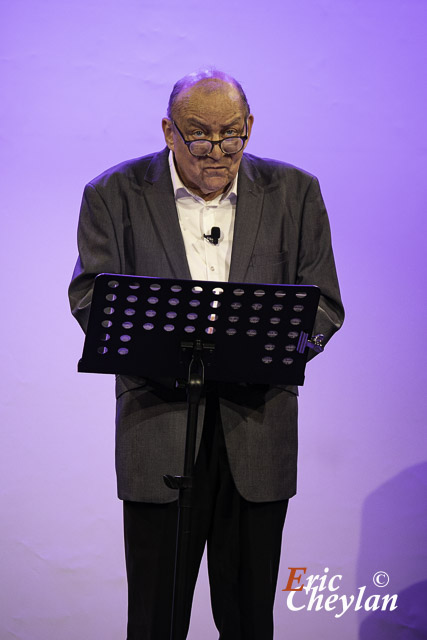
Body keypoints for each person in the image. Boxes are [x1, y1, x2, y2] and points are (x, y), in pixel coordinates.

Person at [69, 69, 344, 639]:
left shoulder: (296, 192)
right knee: (154, 620)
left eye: (232, 134)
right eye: (199, 135)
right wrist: (164, 348)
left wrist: (277, 352)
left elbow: (324, 307)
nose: (217, 152)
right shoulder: (113, 193)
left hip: (258, 431)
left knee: (248, 621)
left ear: (249, 127)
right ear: (169, 131)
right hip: (159, 431)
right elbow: (90, 296)